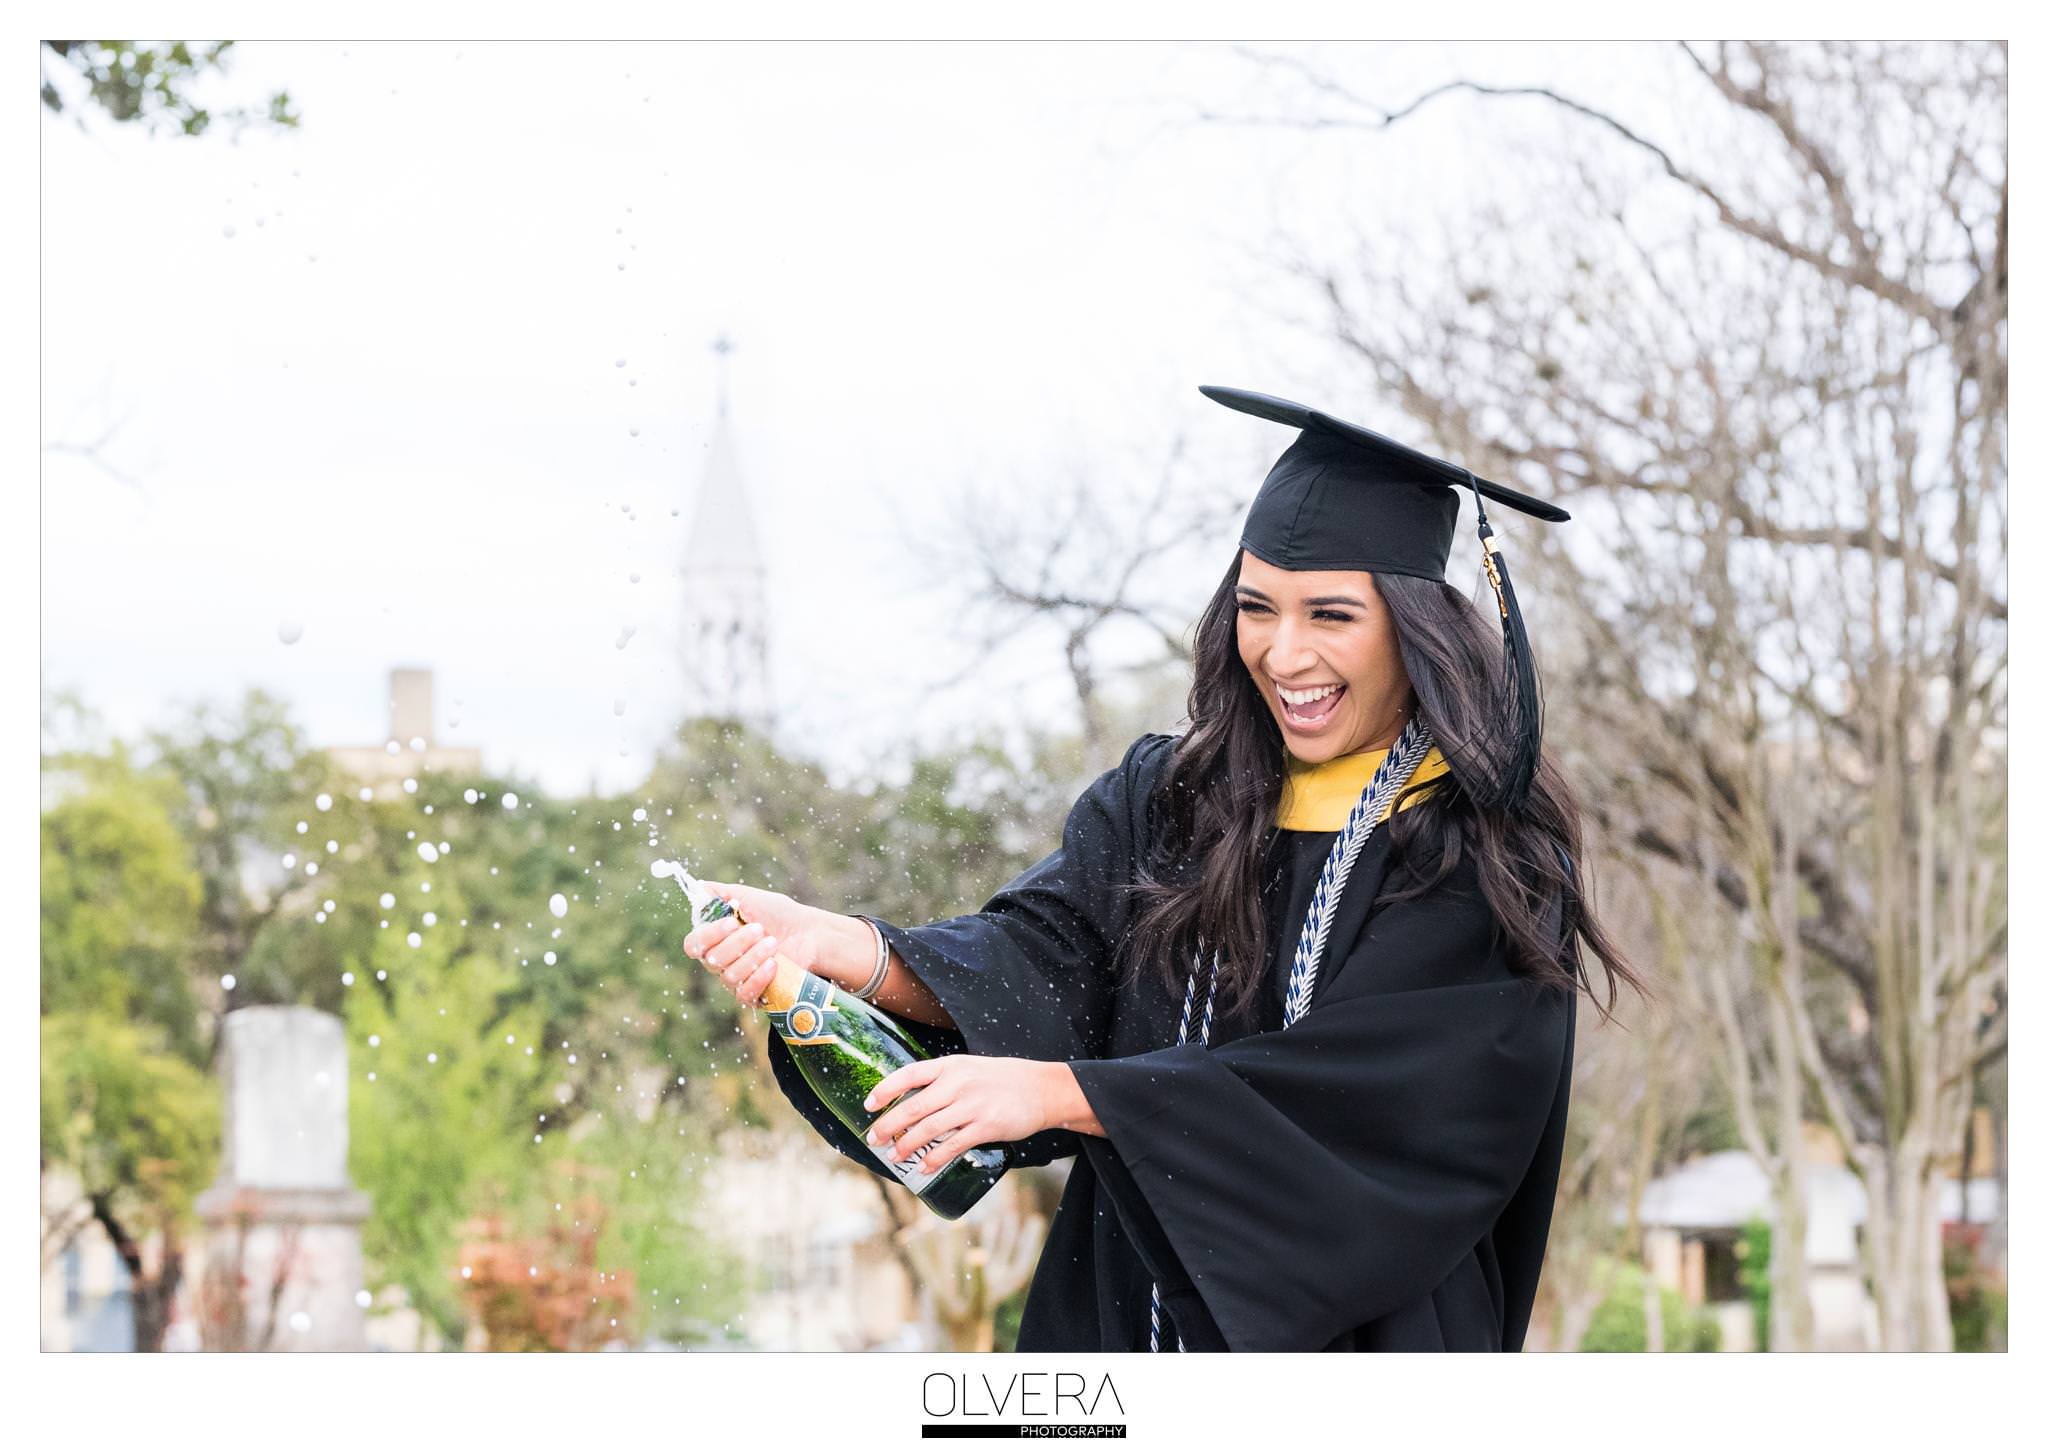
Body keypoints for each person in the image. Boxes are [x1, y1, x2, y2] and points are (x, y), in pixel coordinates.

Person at [681, 385, 1646, 1352]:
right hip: (1117, 1331)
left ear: (1415, 625)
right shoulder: (1175, 799)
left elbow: (1371, 1110)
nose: (1284, 650)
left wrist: (1073, 1094)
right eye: (1258, 606)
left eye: (1332, 614)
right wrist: (853, 950)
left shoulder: (1482, 858)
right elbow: (1047, 957)